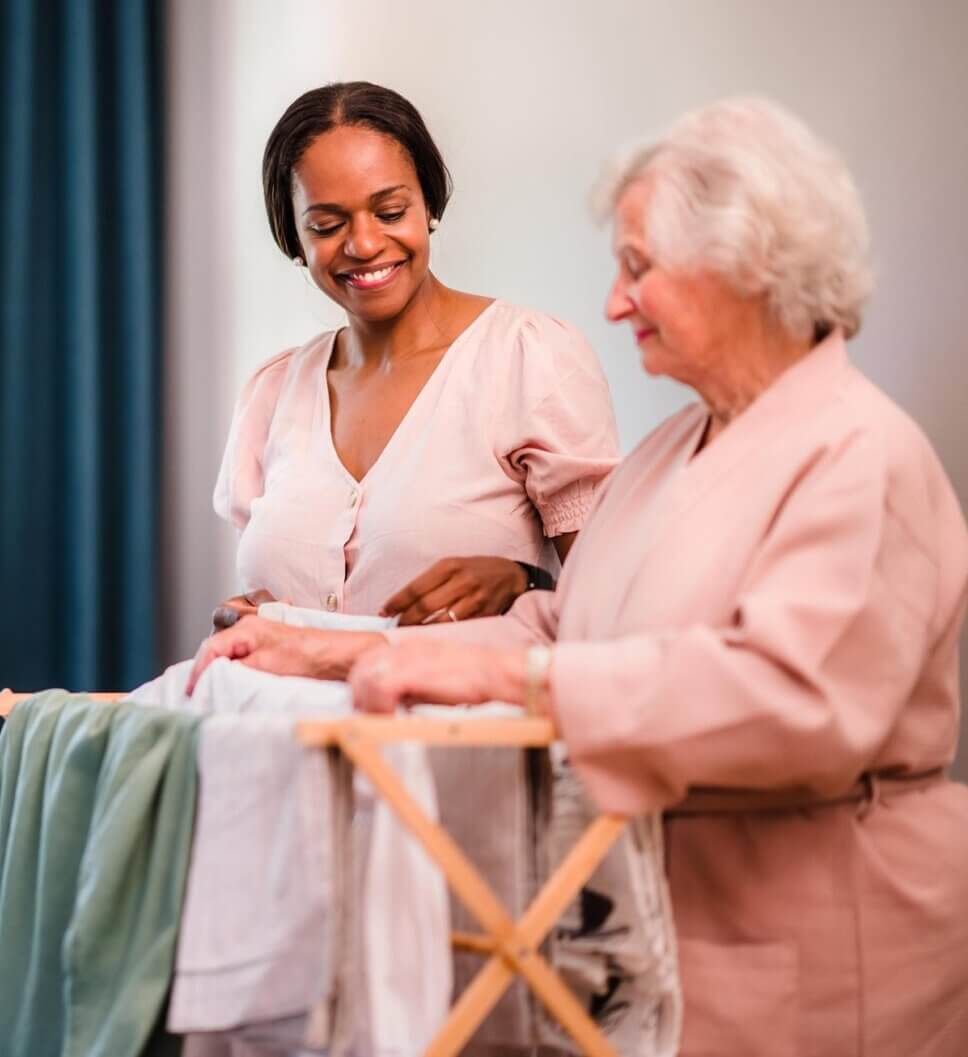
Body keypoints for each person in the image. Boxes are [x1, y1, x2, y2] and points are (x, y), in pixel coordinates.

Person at [191, 98, 968, 1055]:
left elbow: (792, 702)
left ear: (750, 271)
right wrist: (318, 648)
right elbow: (565, 626)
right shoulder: (677, 448)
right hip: (659, 935)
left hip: (822, 943)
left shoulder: (861, 454)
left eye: (639, 268)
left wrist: (510, 679)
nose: (615, 301)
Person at [211, 81, 618, 630]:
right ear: (294, 238)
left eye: (390, 211)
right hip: (291, 715)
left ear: (428, 203)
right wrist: (247, 621)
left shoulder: (528, 358)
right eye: (327, 226)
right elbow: (266, 602)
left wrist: (526, 582)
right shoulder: (273, 392)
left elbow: (616, 602)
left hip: (466, 714)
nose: (364, 244)